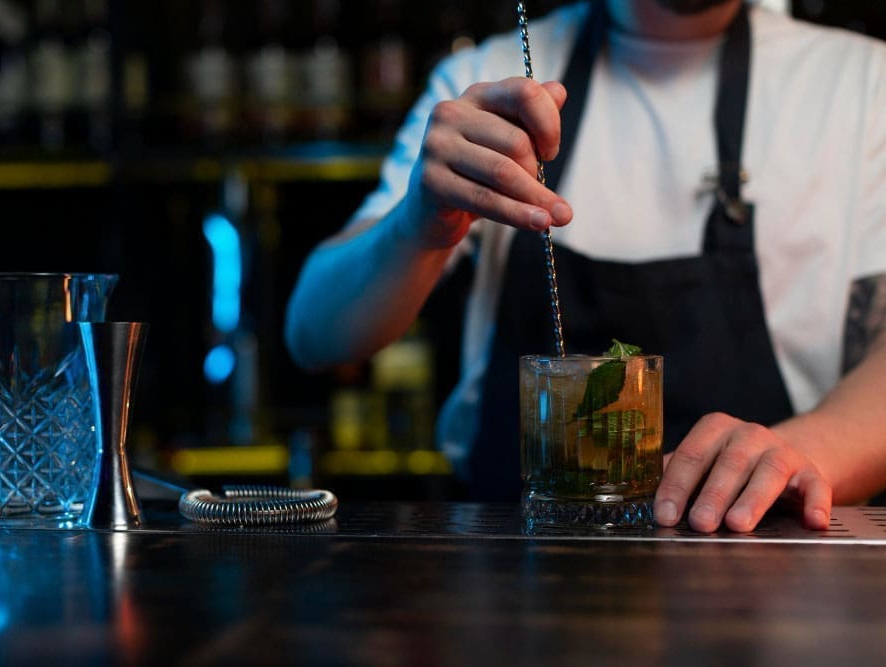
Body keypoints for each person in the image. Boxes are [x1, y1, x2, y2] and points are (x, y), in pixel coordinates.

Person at [284, 0, 886, 532]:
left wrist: (790, 453)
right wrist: (419, 221)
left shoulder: (862, 85)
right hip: (509, 571)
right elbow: (316, 334)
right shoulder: (484, 78)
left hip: (766, 567)